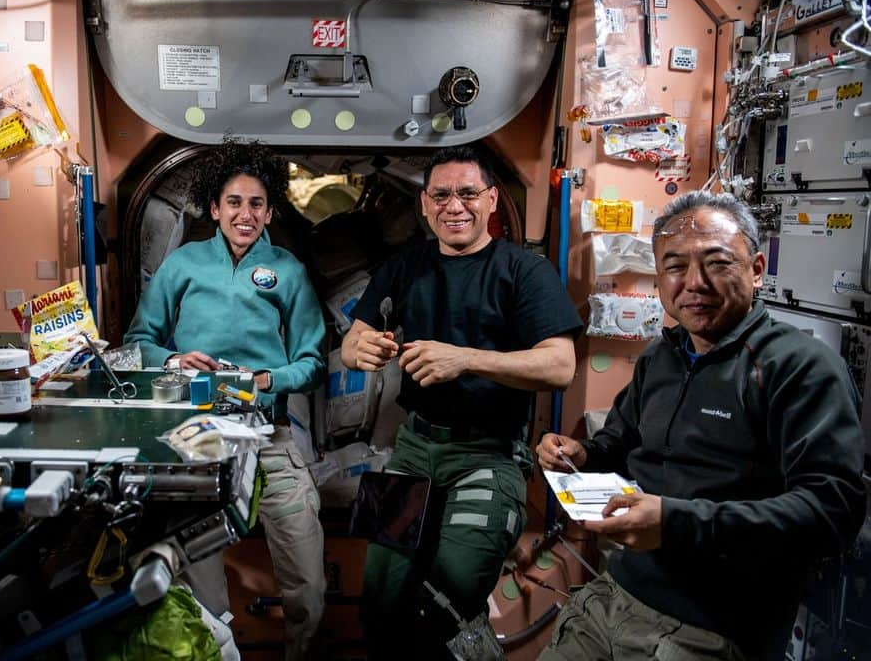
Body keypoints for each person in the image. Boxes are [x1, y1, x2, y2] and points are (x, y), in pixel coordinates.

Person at [537, 191, 867, 661]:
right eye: (674, 266)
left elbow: (831, 512)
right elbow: (621, 441)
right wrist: (583, 454)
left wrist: (676, 523)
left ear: (756, 269)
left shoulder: (799, 367)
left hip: (708, 630)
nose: (694, 283)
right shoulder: (663, 356)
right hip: (615, 596)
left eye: (716, 263)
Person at [341, 145, 582, 659]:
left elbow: (560, 366)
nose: (456, 206)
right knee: (380, 598)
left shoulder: (524, 272)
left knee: (446, 604)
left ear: (492, 199)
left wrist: (465, 359)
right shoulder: (404, 267)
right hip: (413, 447)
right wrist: (358, 348)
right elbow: (351, 340)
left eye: (469, 193)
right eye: (442, 195)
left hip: (488, 456)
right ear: (425, 205)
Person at [124, 140, 327, 661]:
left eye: (256, 203)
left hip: (269, 432)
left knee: (308, 568)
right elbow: (136, 342)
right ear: (214, 208)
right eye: (234, 202)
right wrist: (173, 360)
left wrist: (267, 379)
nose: (245, 214)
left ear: (269, 210)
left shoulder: (287, 270)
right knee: (200, 575)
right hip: (198, 432)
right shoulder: (183, 266)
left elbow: (312, 361)